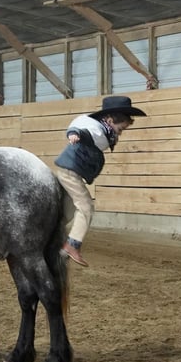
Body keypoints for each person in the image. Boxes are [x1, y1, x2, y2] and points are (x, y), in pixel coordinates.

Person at [54, 95, 146, 267]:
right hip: (69, 172)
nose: (121, 132)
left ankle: (52, 235)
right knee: (86, 206)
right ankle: (72, 246)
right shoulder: (96, 129)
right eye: (121, 128)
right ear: (110, 120)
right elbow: (82, 130)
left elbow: (83, 123)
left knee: (68, 208)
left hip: (71, 171)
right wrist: (73, 134)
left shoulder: (103, 129)